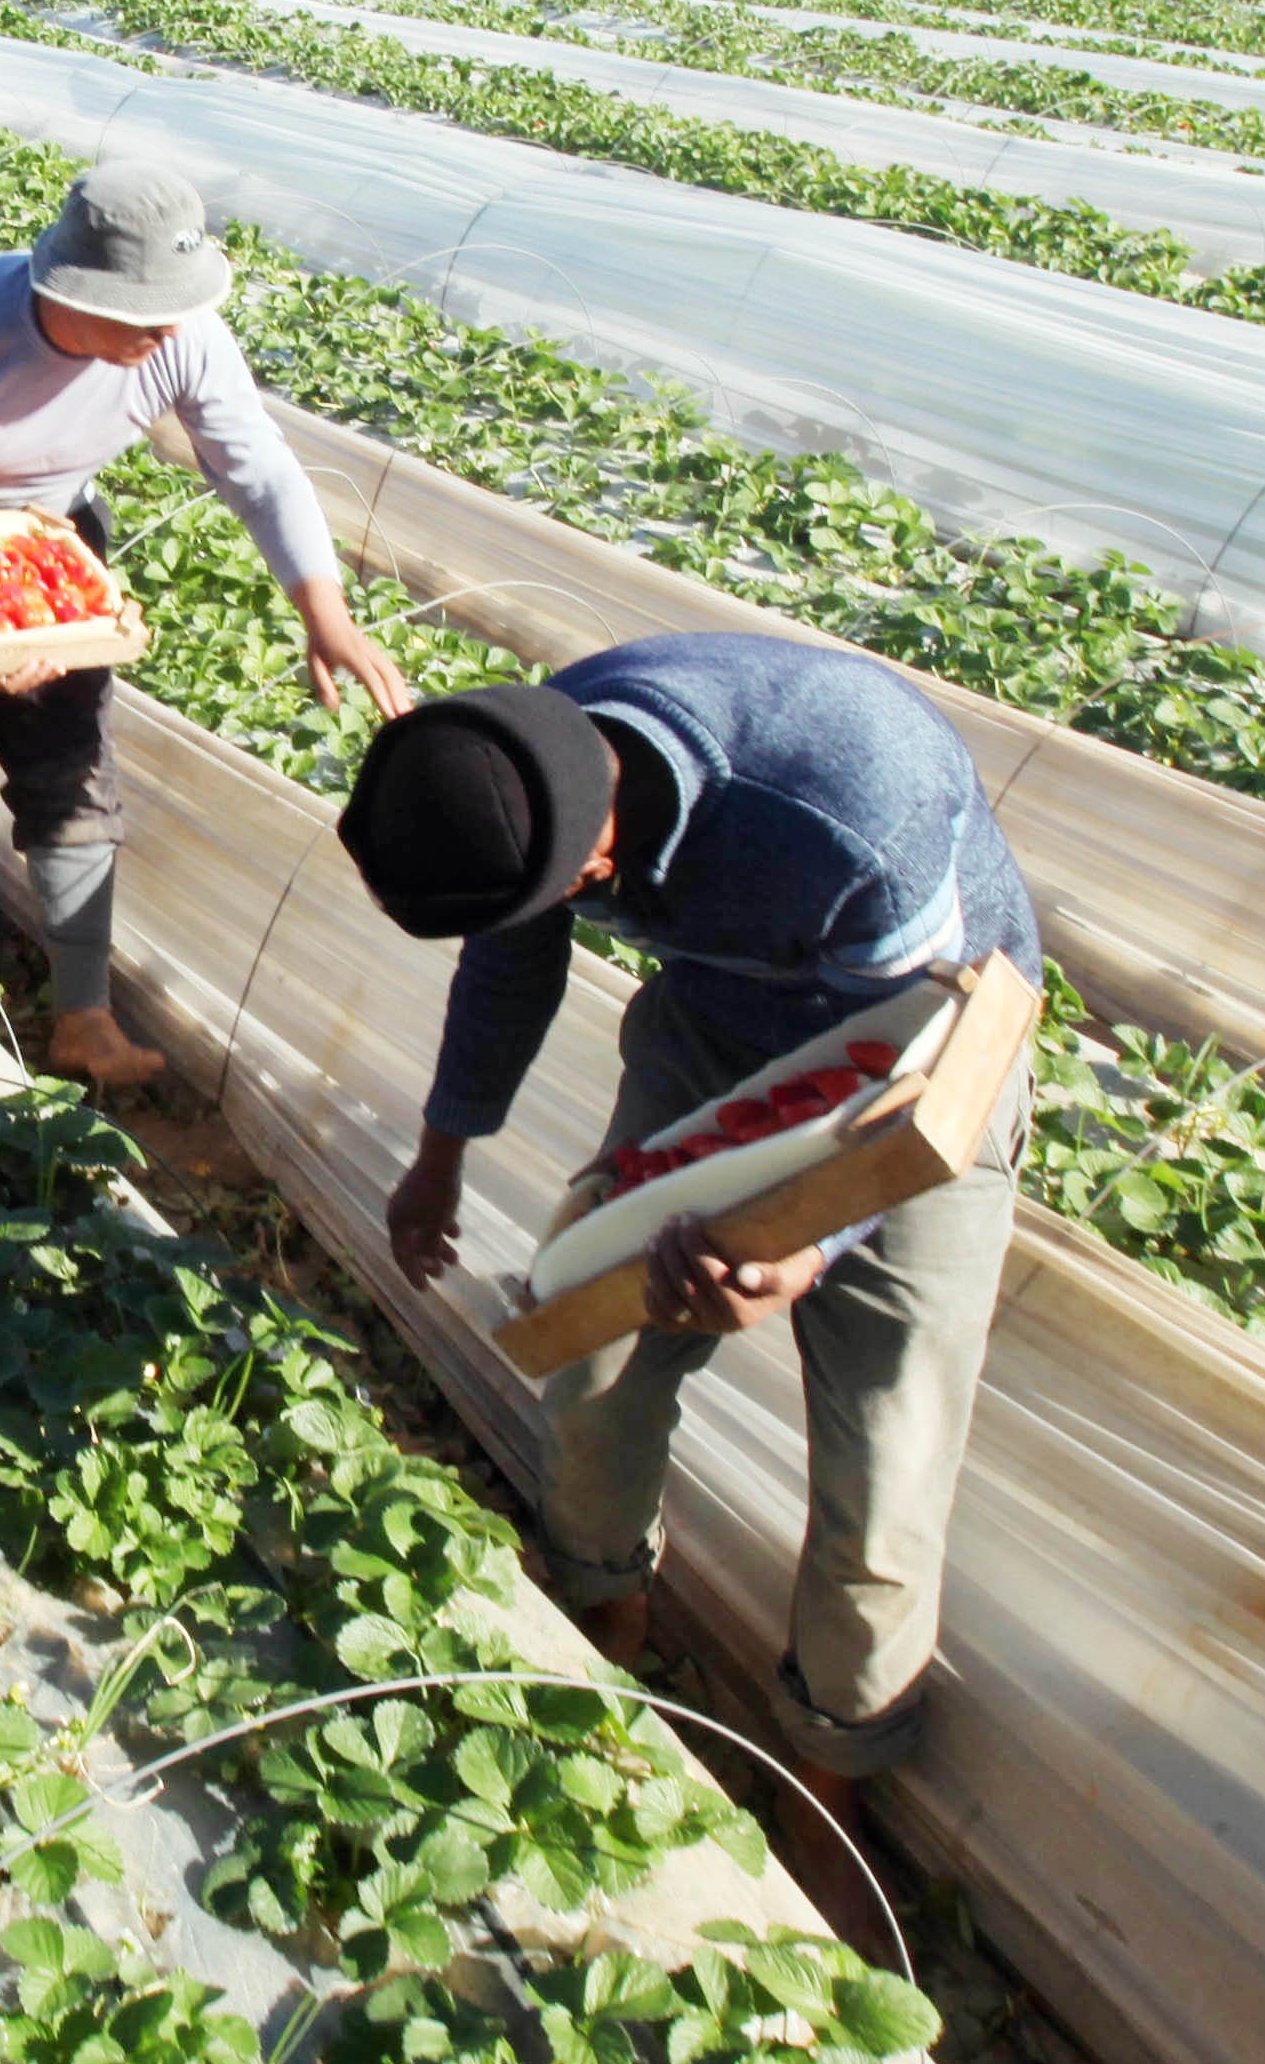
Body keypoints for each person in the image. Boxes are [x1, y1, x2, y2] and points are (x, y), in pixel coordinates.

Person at [341, 637, 1037, 1791]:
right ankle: (602, 1610)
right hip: (718, 1022)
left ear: (594, 858)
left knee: (885, 1450)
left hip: (933, 1043)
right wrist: (440, 1152)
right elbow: (507, 968)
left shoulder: (854, 808)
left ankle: (831, 1768)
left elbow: (899, 1070)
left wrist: (808, 1245)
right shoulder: (524, 763)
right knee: (591, 1331)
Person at [0, 159, 411, 1084]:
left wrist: (322, 609)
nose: (164, 331)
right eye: (138, 314)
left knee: (74, 766)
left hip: (53, 540)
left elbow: (254, 467)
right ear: (66, 289)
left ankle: (82, 1017)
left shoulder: (182, 337)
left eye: (173, 308)